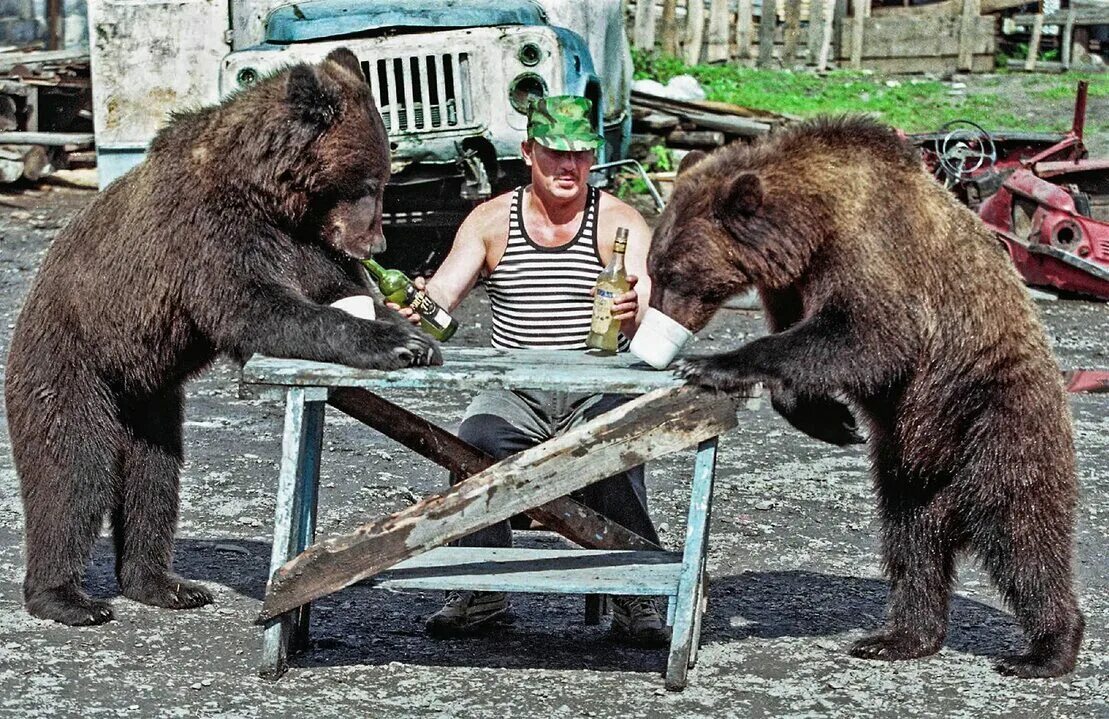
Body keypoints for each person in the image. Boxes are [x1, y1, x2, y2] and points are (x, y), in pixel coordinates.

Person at [388, 96, 669, 647]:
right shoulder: (492, 220)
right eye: (555, 154)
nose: (568, 168)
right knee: (472, 441)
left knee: (615, 445)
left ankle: (635, 590)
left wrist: (636, 311)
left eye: (581, 155)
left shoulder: (618, 221)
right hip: (515, 388)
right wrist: (415, 307)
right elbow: (443, 304)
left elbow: (644, 305)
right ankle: (480, 587)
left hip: (596, 384)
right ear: (528, 153)